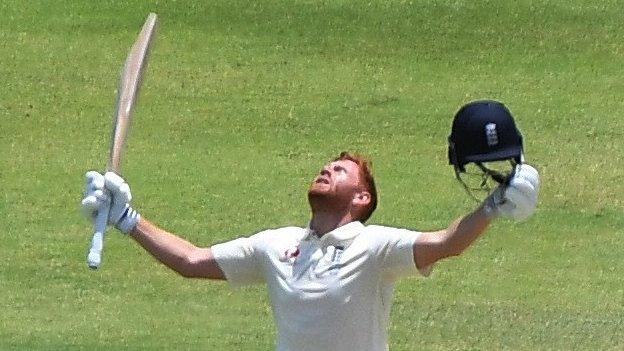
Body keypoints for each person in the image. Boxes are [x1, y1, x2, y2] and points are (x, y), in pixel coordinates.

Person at [81, 104, 539, 351]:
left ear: (362, 199)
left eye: (340, 171)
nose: (326, 169)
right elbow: (190, 260)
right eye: (327, 165)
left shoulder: (375, 248)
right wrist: (127, 219)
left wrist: (493, 206)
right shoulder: (275, 245)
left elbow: (447, 243)